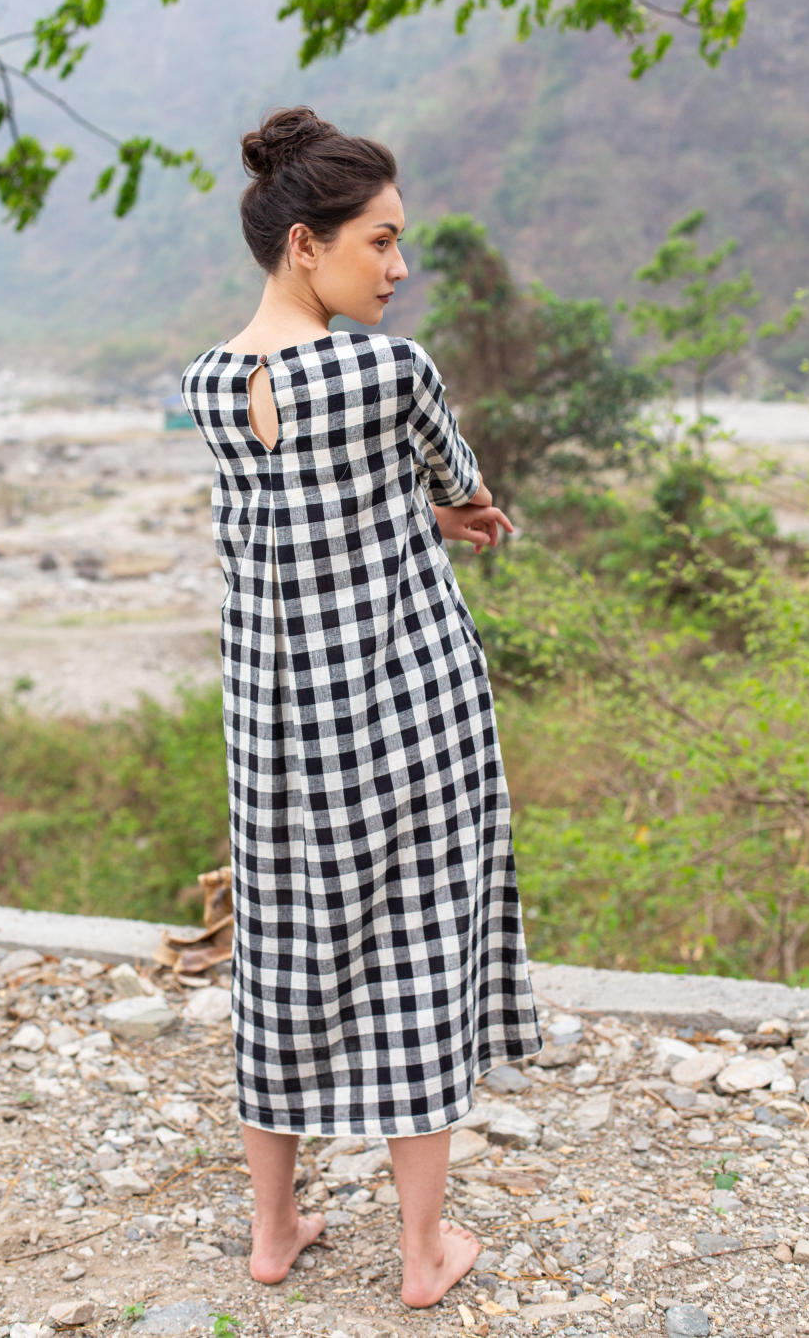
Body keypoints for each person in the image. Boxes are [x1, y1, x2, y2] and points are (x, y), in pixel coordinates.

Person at [180, 106, 542, 1310]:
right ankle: (422, 1251)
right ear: (306, 244)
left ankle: (273, 1231)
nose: (397, 266)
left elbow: (292, 518)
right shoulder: (391, 370)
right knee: (418, 950)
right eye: (379, 241)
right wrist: (459, 512)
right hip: (407, 716)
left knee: (281, 955)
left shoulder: (207, 385)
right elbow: (459, 479)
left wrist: (411, 514)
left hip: (276, 742)